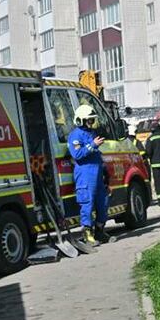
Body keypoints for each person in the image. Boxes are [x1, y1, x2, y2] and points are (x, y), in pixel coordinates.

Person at [67, 104, 109, 245]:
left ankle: (100, 231)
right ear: (80, 120)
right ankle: (87, 234)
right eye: (89, 120)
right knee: (87, 203)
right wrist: (93, 145)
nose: (91, 123)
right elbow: (77, 154)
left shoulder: (91, 133)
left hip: (97, 172)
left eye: (92, 120)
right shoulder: (75, 135)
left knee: (103, 202)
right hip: (85, 174)